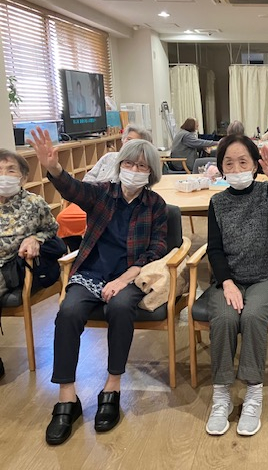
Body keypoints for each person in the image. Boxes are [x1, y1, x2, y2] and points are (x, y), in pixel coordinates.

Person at [28, 128, 168, 446]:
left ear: (151, 172)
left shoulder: (156, 205)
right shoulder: (103, 193)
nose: (134, 170)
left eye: (142, 166)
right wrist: (53, 168)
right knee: (68, 312)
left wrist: (124, 279)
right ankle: (67, 398)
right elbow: (74, 189)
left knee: (120, 307)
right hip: (92, 271)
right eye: (129, 163)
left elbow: (156, 249)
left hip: (130, 275)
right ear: (119, 165)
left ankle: (112, 387)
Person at [205, 135, 268, 437]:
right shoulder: (217, 202)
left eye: (242, 162)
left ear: (254, 165)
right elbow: (214, 249)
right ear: (221, 168)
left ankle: (253, 392)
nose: (236, 168)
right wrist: (227, 282)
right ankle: (221, 393)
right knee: (224, 318)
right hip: (229, 280)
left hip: (267, 277)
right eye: (229, 163)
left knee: (252, 316)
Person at [0, 149, 59, 378]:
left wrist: (35, 238)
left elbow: (52, 231)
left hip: (12, 266)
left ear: (23, 177)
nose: (3, 176)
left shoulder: (34, 203)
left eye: (10, 170)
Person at [56, 124, 153, 251]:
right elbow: (88, 178)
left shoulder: (138, 169)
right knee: (63, 218)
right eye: (128, 140)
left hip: (112, 203)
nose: (129, 144)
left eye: (134, 142)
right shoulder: (108, 157)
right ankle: (78, 249)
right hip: (91, 197)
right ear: (122, 140)